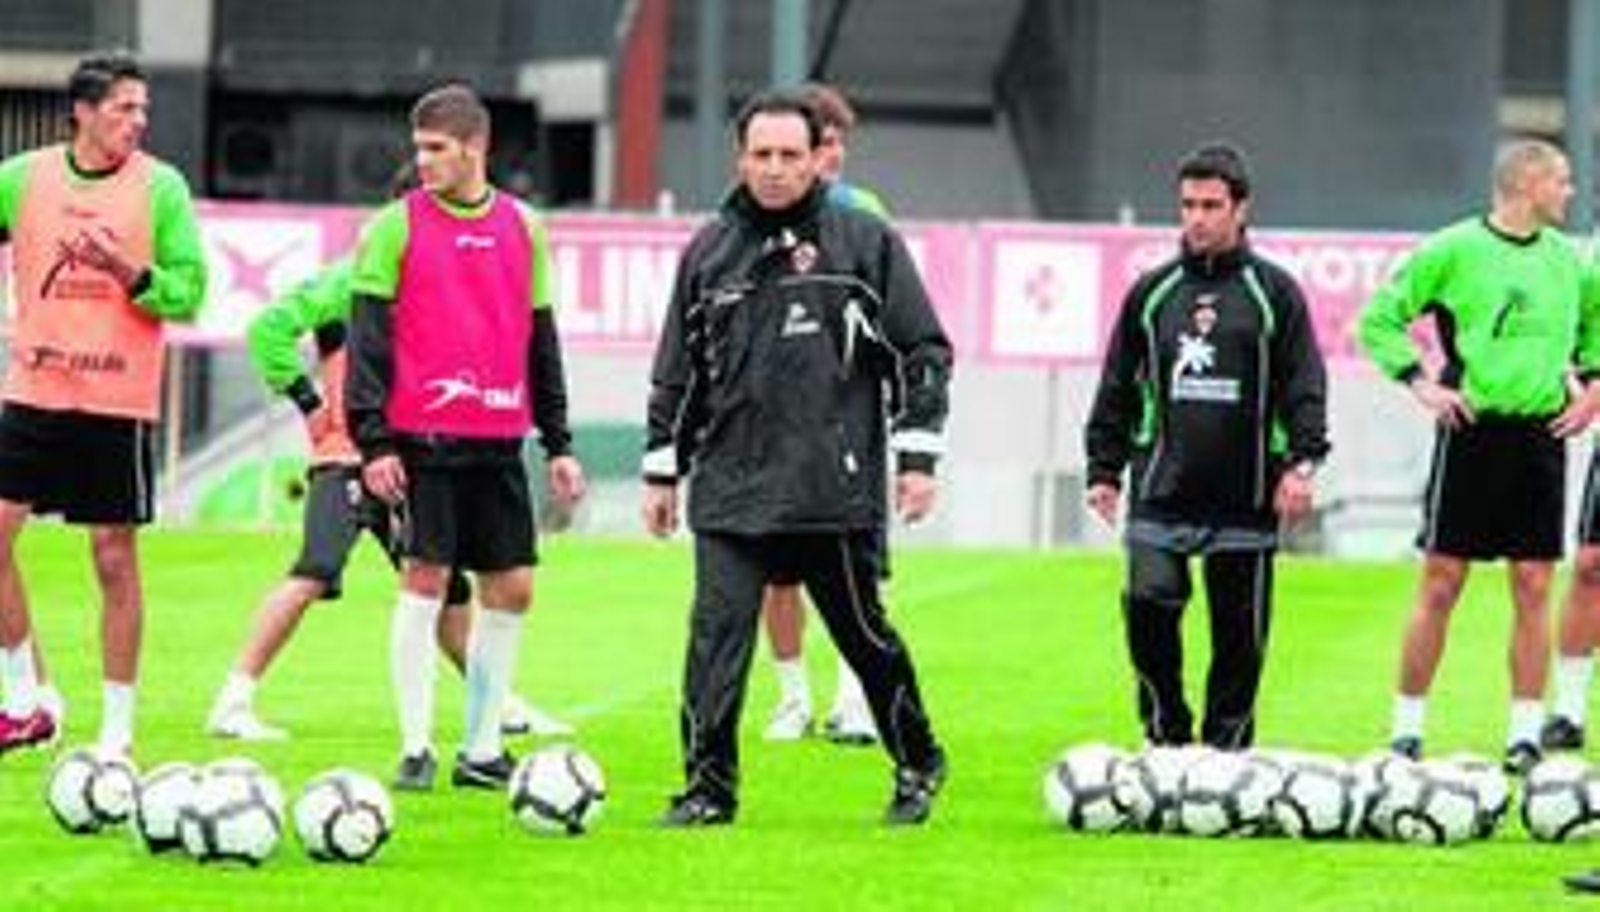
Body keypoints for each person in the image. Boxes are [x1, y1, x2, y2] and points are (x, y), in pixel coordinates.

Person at [642, 90, 952, 826]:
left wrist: (918, 457)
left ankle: (917, 759)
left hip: (831, 490)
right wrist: (662, 472)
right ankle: (708, 791)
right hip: (729, 487)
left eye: (790, 155)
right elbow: (677, 373)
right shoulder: (708, 251)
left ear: (819, 159)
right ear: (740, 158)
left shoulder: (864, 242)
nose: (776, 169)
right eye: (762, 155)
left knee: (864, 639)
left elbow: (923, 349)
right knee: (715, 643)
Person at [205, 255, 572, 741]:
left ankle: (498, 703)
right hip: (347, 460)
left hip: (405, 463)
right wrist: (309, 402)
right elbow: (268, 328)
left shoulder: (438, 282)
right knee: (316, 569)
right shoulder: (352, 278)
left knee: (449, 589)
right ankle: (233, 701)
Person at [347, 83, 585, 791]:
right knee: (425, 583)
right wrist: (375, 443)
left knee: (512, 588)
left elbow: (541, 339)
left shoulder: (525, 226)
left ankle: (481, 750)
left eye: (435, 148)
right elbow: (368, 344)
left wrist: (560, 441)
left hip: (499, 440)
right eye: (417, 148)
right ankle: (416, 747)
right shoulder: (393, 226)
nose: (421, 161)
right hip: (420, 442)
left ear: (474, 148)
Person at [1358, 138, 1600, 775]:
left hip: (1539, 443)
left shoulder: (1571, 263)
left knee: (1533, 587)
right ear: (1527, 183)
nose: (1570, 193)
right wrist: (1421, 382)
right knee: (1441, 585)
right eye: (1562, 181)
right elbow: (1379, 319)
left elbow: (1597, 328)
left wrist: (1593, 393)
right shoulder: (1452, 250)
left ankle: (1524, 734)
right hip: (1471, 436)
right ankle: (1406, 731)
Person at [1084, 142, 1329, 752]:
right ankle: (1165, 729)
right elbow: (1117, 385)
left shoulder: (1275, 293)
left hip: (1245, 497)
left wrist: (1302, 461)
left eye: (1211, 205)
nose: (1196, 217)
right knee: (1147, 604)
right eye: (1188, 204)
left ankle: (1226, 751)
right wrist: (1103, 469)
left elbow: (1304, 385)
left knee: (1239, 639)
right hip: (1162, 492)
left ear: (1240, 209)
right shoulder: (1153, 293)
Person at [0, 54, 206, 757]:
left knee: (113, 559)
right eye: (124, 108)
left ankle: (116, 736)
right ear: (82, 112)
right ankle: (26, 697)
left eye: (143, 110)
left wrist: (123, 270)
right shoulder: (22, 179)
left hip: (115, 398)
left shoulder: (164, 188)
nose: (138, 122)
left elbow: (188, 292)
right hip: (32, 388)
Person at [760, 81, 886, 745]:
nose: (831, 156)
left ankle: (853, 698)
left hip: (845, 425)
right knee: (778, 574)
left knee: (853, 567)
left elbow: (887, 310)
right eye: (823, 143)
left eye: (837, 144)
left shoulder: (863, 215)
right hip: (774, 425)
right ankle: (791, 698)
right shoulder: (759, 219)